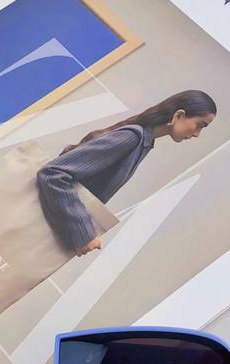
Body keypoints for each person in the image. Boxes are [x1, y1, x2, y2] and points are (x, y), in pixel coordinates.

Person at [37, 90, 216, 256]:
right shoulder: (132, 138)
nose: (197, 134)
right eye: (200, 125)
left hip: (46, 225)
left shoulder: (142, 142)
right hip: (40, 224)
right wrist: (84, 233)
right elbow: (53, 174)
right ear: (179, 115)